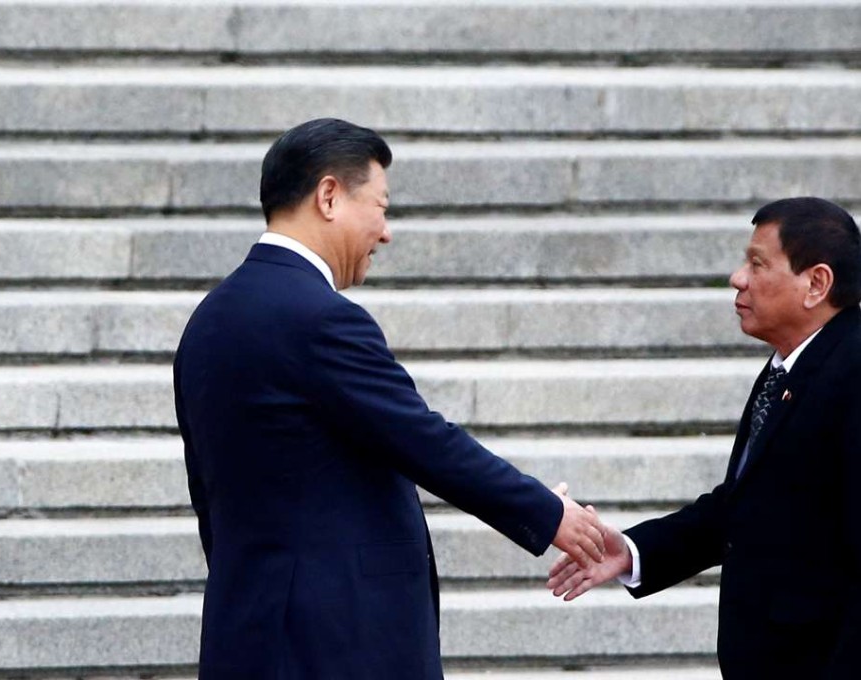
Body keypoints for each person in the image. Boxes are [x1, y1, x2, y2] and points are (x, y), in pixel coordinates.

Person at [174, 118, 605, 679]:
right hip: (334, 644)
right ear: (329, 196)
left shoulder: (207, 321)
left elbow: (210, 497)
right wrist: (549, 515)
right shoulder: (321, 318)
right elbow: (422, 438)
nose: (386, 232)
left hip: (248, 631)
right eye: (380, 207)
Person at [547, 197, 861, 678]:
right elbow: (743, 504)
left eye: (758, 264)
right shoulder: (792, 365)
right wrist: (632, 551)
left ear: (816, 283)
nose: (738, 278)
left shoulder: (853, 369)